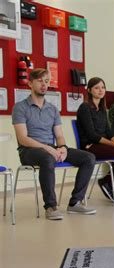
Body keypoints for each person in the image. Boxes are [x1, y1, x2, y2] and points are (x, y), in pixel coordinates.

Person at [12, 68, 97, 220]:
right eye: (39, 81)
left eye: (46, 81)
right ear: (30, 83)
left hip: (50, 148)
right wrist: (48, 148)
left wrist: (63, 148)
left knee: (89, 158)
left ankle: (75, 202)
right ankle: (51, 206)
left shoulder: (52, 109)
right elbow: (23, 138)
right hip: (28, 150)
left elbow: (59, 135)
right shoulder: (20, 107)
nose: (44, 85)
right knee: (47, 158)